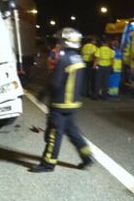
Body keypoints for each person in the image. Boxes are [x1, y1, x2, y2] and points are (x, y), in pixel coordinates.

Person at [30, 28, 94, 173]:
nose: (58, 43)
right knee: (74, 133)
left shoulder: (64, 60)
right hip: (72, 103)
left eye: (60, 40)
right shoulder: (79, 59)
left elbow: (55, 83)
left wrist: (43, 93)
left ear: (65, 41)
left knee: (54, 134)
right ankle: (87, 156)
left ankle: (47, 164)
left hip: (60, 104)